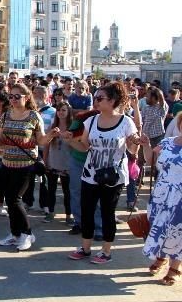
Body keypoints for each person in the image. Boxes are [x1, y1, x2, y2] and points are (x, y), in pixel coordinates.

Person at [66, 82, 139, 264]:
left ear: (113, 100)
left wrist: (135, 142)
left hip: (113, 177)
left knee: (107, 213)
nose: (96, 101)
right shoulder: (91, 121)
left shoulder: (126, 122)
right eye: (96, 97)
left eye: (100, 98)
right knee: (87, 211)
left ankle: (106, 251)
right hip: (90, 174)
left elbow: (132, 150)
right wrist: (70, 141)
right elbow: (84, 146)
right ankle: (85, 248)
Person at [0, 83, 57, 251]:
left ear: (26, 97)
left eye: (18, 96)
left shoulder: (33, 116)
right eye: (11, 96)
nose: (14, 99)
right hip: (6, 162)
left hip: (25, 164)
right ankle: (15, 233)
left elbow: (40, 141)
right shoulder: (6, 116)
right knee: (10, 200)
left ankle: (27, 233)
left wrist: (51, 135)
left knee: (15, 199)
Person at [140, 132, 182, 285]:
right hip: (161, 195)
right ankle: (161, 258)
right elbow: (151, 159)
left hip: (180, 198)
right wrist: (146, 145)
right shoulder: (167, 142)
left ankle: (176, 267)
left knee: (178, 231)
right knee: (159, 228)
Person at [43, 101, 73, 224]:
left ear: (68, 112)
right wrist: (45, 161)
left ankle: (68, 214)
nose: (61, 113)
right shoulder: (52, 126)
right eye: (59, 110)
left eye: (63, 110)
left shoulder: (73, 127)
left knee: (67, 191)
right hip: (53, 161)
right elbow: (46, 145)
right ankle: (50, 212)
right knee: (51, 189)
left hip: (67, 163)